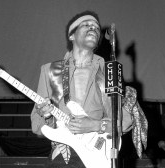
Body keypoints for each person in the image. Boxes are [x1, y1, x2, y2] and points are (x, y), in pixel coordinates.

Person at [31, 11, 148, 168]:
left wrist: (95, 125)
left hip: (99, 153)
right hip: (64, 152)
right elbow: (38, 127)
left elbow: (124, 122)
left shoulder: (109, 73)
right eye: (86, 25)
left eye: (96, 28)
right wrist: (46, 115)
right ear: (71, 35)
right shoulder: (50, 70)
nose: (93, 28)